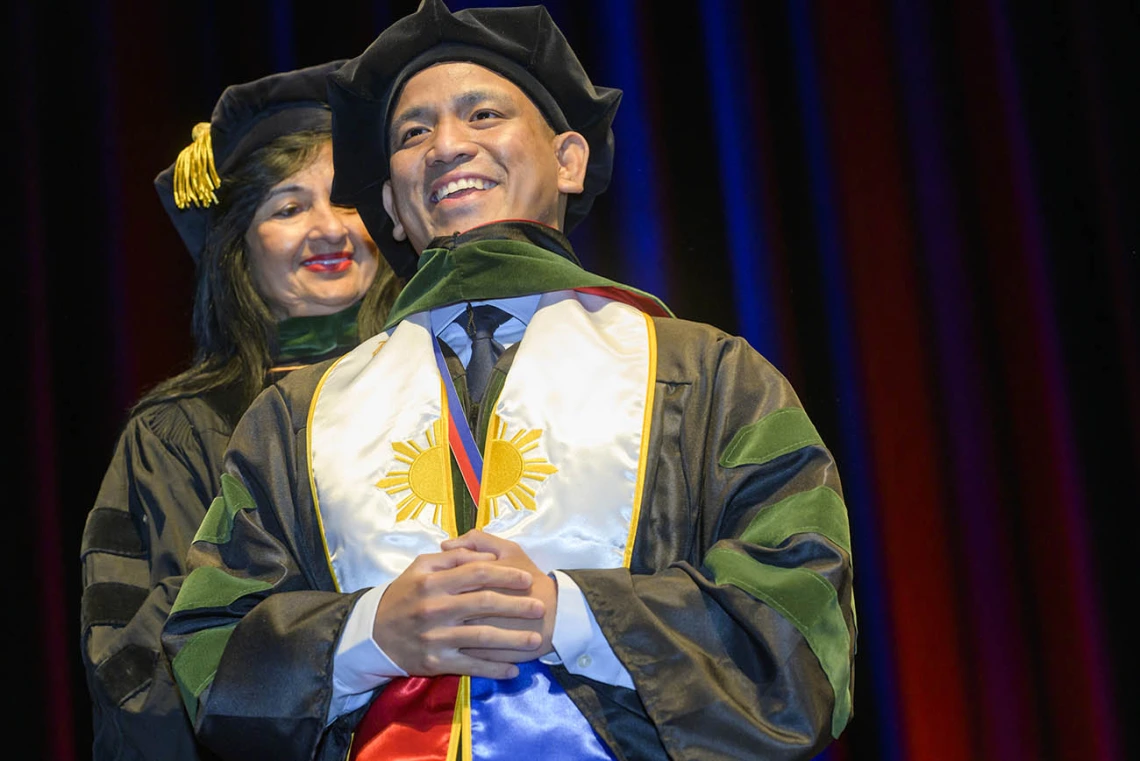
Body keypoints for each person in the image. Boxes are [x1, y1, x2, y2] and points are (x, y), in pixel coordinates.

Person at [161, 2, 856, 760]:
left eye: (482, 114)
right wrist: (371, 633)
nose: (447, 146)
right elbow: (206, 658)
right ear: (390, 203)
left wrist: (568, 613)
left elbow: (801, 627)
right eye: (412, 133)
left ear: (569, 159)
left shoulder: (710, 377)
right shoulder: (294, 418)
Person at [80, 60, 401, 761]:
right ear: (240, 251)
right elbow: (144, 668)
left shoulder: (440, 386)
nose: (328, 229)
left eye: (345, 199)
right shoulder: (181, 430)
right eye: (287, 208)